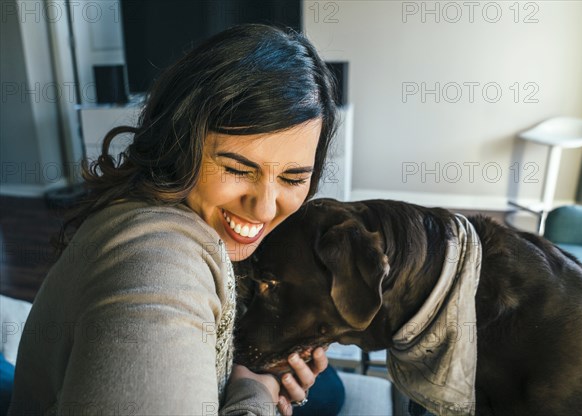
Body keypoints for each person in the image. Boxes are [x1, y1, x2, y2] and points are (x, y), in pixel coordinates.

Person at [8, 24, 341, 415]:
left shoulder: (167, 206)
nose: (265, 209)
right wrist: (256, 394)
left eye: (292, 177)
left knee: (329, 389)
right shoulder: (158, 265)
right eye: (237, 169)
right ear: (178, 141)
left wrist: (255, 370)